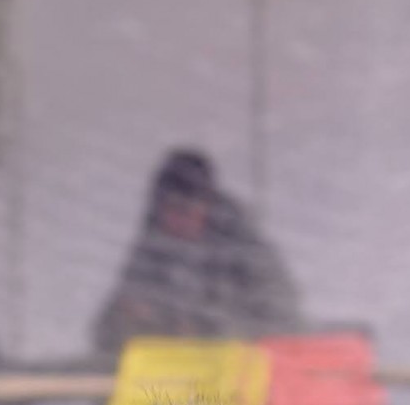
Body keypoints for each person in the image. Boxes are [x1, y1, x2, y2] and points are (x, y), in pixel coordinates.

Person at [90, 149, 302, 360]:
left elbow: (283, 322)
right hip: (168, 384)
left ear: (209, 207)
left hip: (238, 380)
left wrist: (204, 331)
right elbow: (106, 335)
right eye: (170, 209)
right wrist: (133, 321)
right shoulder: (151, 256)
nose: (178, 220)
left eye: (187, 209)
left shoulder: (246, 255)